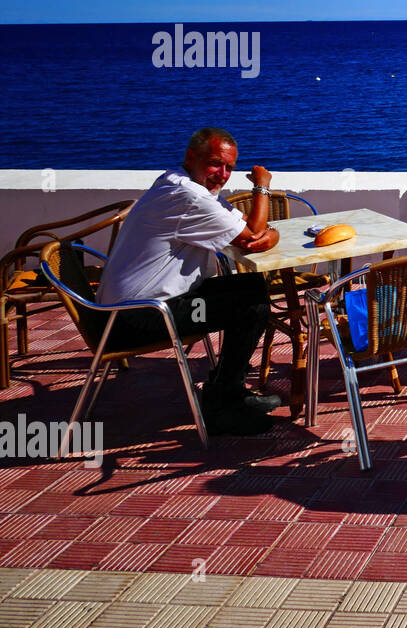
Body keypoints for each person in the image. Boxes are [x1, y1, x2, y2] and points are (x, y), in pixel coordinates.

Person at [96, 127, 282, 435]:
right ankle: (223, 408)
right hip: (142, 316)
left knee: (251, 289)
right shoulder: (189, 196)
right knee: (251, 307)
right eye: (215, 163)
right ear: (190, 157)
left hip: (137, 306)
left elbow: (249, 234)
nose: (222, 174)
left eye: (229, 168)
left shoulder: (178, 183)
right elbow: (250, 236)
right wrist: (262, 185)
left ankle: (227, 390)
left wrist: (268, 232)